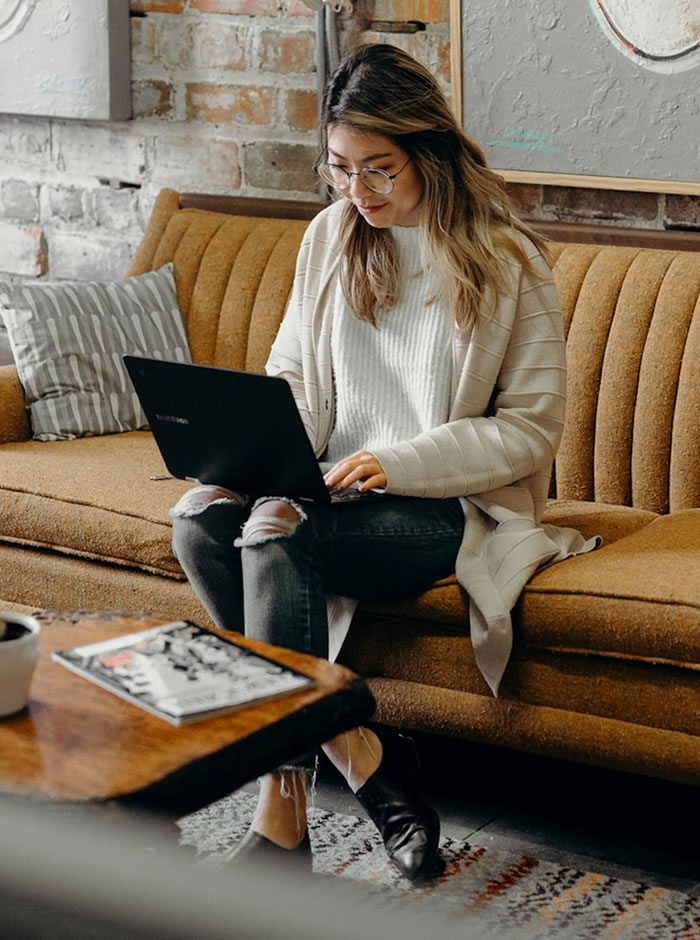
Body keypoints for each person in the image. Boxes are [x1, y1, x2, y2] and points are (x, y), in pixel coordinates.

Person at [170, 43, 596, 883]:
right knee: (201, 519)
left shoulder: (508, 261)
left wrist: (395, 461)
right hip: (328, 482)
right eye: (339, 169)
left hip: (443, 504)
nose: (357, 193)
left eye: (379, 170)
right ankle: (363, 749)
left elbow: (530, 430)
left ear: (428, 153)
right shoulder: (332, 237)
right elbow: (291, 372)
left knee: (276, 532)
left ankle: (281, 819)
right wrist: (255, 448)